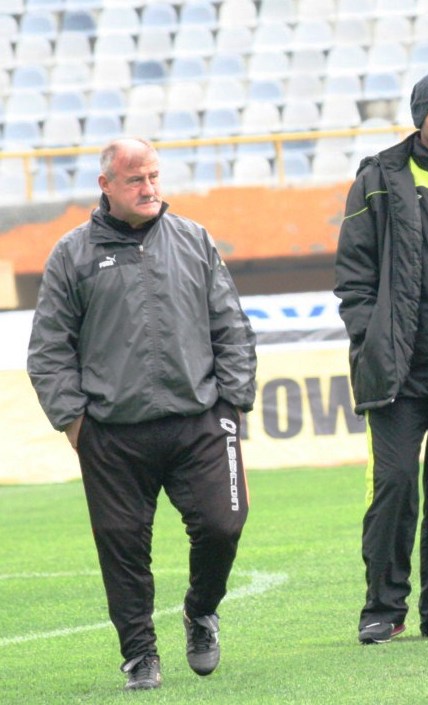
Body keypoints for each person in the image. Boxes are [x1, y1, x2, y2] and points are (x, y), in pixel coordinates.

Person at [27, 138, 257, 689]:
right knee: (123, 546)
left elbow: (231, 327)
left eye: (154, 176)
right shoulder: (72, 254)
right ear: (106, 186)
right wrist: (76, 422)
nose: (150, 188)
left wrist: (232, 403)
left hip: (200, 421)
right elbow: (48, 349)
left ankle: (201, 612)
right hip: (112, 433)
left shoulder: (194, 239)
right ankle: (139, 655)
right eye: (136, 180)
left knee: (224, 525)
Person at [334, 70, 428, 645]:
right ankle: (382, 608)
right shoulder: (377, 177)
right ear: (420, 114)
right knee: (395, 484)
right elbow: (353, 275)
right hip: (400, 371)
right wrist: (369, 336)